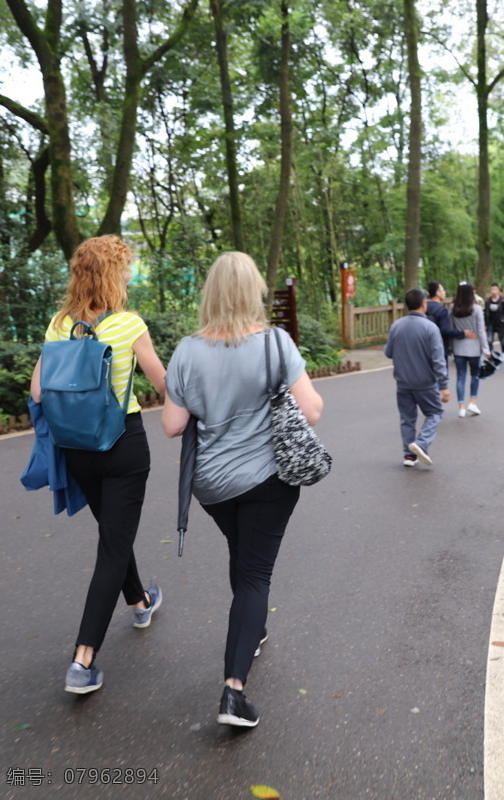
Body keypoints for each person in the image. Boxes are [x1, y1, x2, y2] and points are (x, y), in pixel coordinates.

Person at [161, 252, 324, 728]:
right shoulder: (276, 344)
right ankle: (234, 692)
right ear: (253, 291)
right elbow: (311, 413)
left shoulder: (187, 350)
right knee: (255, 576)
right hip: (268, 479)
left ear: (210, 292)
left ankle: (251, 628)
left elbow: (173, 425)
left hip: (211, 485)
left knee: (243, 553)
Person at [29, 235, 170, 696]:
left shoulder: (58, 325)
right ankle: (82, 660)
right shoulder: (128, 325)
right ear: (113, 275)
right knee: (113, 545)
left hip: (77, 449)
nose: (129, 274)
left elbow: (36, 392)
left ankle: (141, 600)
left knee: (114, 534)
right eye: (125, 268)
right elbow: (165, 385)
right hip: (123, 446)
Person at [384, 288, 448, 467]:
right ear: (424, 303)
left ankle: (409, 455)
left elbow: (388, 352)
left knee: (407, 418)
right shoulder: (430, 328)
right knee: (435, 413)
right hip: (425, 383)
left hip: (402, 382)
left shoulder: (396, 325)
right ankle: (421, 443)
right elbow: (438, 359)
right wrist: (444, 385)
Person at [424, 280, 476, 402]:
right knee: (439, 375)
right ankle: (434, 405)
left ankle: (427, 401)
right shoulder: (441, 310)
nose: (444, 292)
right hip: (439, 347)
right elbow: (445, 330)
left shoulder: (424, 306)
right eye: (442, 290)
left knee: (427, 375)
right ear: (437, 293)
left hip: (424, 346)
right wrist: (461, 333)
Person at [448, 281, 490, 417]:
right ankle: (472, 402)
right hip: (474, 347)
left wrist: (451, 346)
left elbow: (451, 329)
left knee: (460, 376)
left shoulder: (452, 308)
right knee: (475, 375)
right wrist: (486, 349)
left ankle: (461, 407)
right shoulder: (477, 309)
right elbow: (481, 331)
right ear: (471, 292)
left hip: (459, 347)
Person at [484, 283, 504, 360]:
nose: (493, 291)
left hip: (500, 324)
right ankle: (492, 354)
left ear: (498, 290)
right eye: (492, 289)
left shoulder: (502, 301)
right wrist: (485, 324)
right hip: (490, 323)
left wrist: (503, 319)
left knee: (502, 340)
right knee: (489, 340)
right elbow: (485, 312)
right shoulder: (488, 301)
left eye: (495, 289)